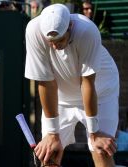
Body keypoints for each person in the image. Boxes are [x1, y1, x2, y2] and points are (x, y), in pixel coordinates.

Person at [24, 3, 119, 167]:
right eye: (50, 41)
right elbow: (46, 83)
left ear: (70, 26)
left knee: (101, 150)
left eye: (59, 39)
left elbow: (87, 82)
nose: (55, 45)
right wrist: (52, 133)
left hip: (101, 91)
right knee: (49, 153)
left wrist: (94, 133)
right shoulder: (33, 31)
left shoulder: (87, 31)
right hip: (61, 97)